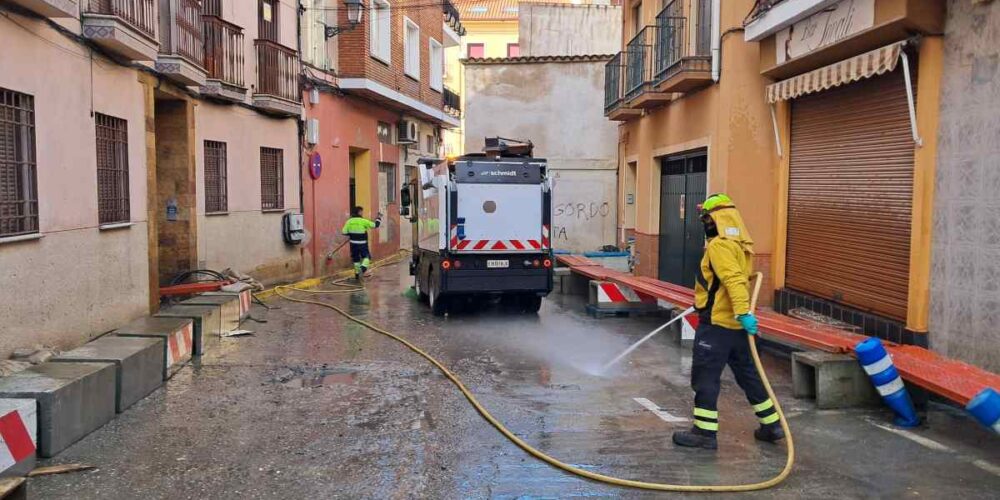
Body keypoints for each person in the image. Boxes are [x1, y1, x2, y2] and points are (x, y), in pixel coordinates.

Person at [672, 193, 784, 450]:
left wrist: (743, 312)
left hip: (718, 326)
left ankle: (704, 432)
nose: (705, 223)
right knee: (749, 376)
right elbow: (727, 284)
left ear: (715, 219)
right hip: (735, 327)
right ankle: (771, 424)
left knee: (705, 377)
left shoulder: (720, 246)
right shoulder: (742, 245)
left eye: (706, 219)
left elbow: (733, 281)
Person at [342, 206, 382, 280]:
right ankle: (362, 269)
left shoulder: (349, 221)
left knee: (356, 259)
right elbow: (376, 225)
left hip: (353, 244)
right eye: (362, 212)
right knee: (367, 257)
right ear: (359, 212)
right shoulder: (363, 221)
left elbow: (344, 232)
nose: (362, 213)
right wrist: (378, 218)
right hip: (362, 244)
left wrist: (352, 234)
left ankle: (357, 275)